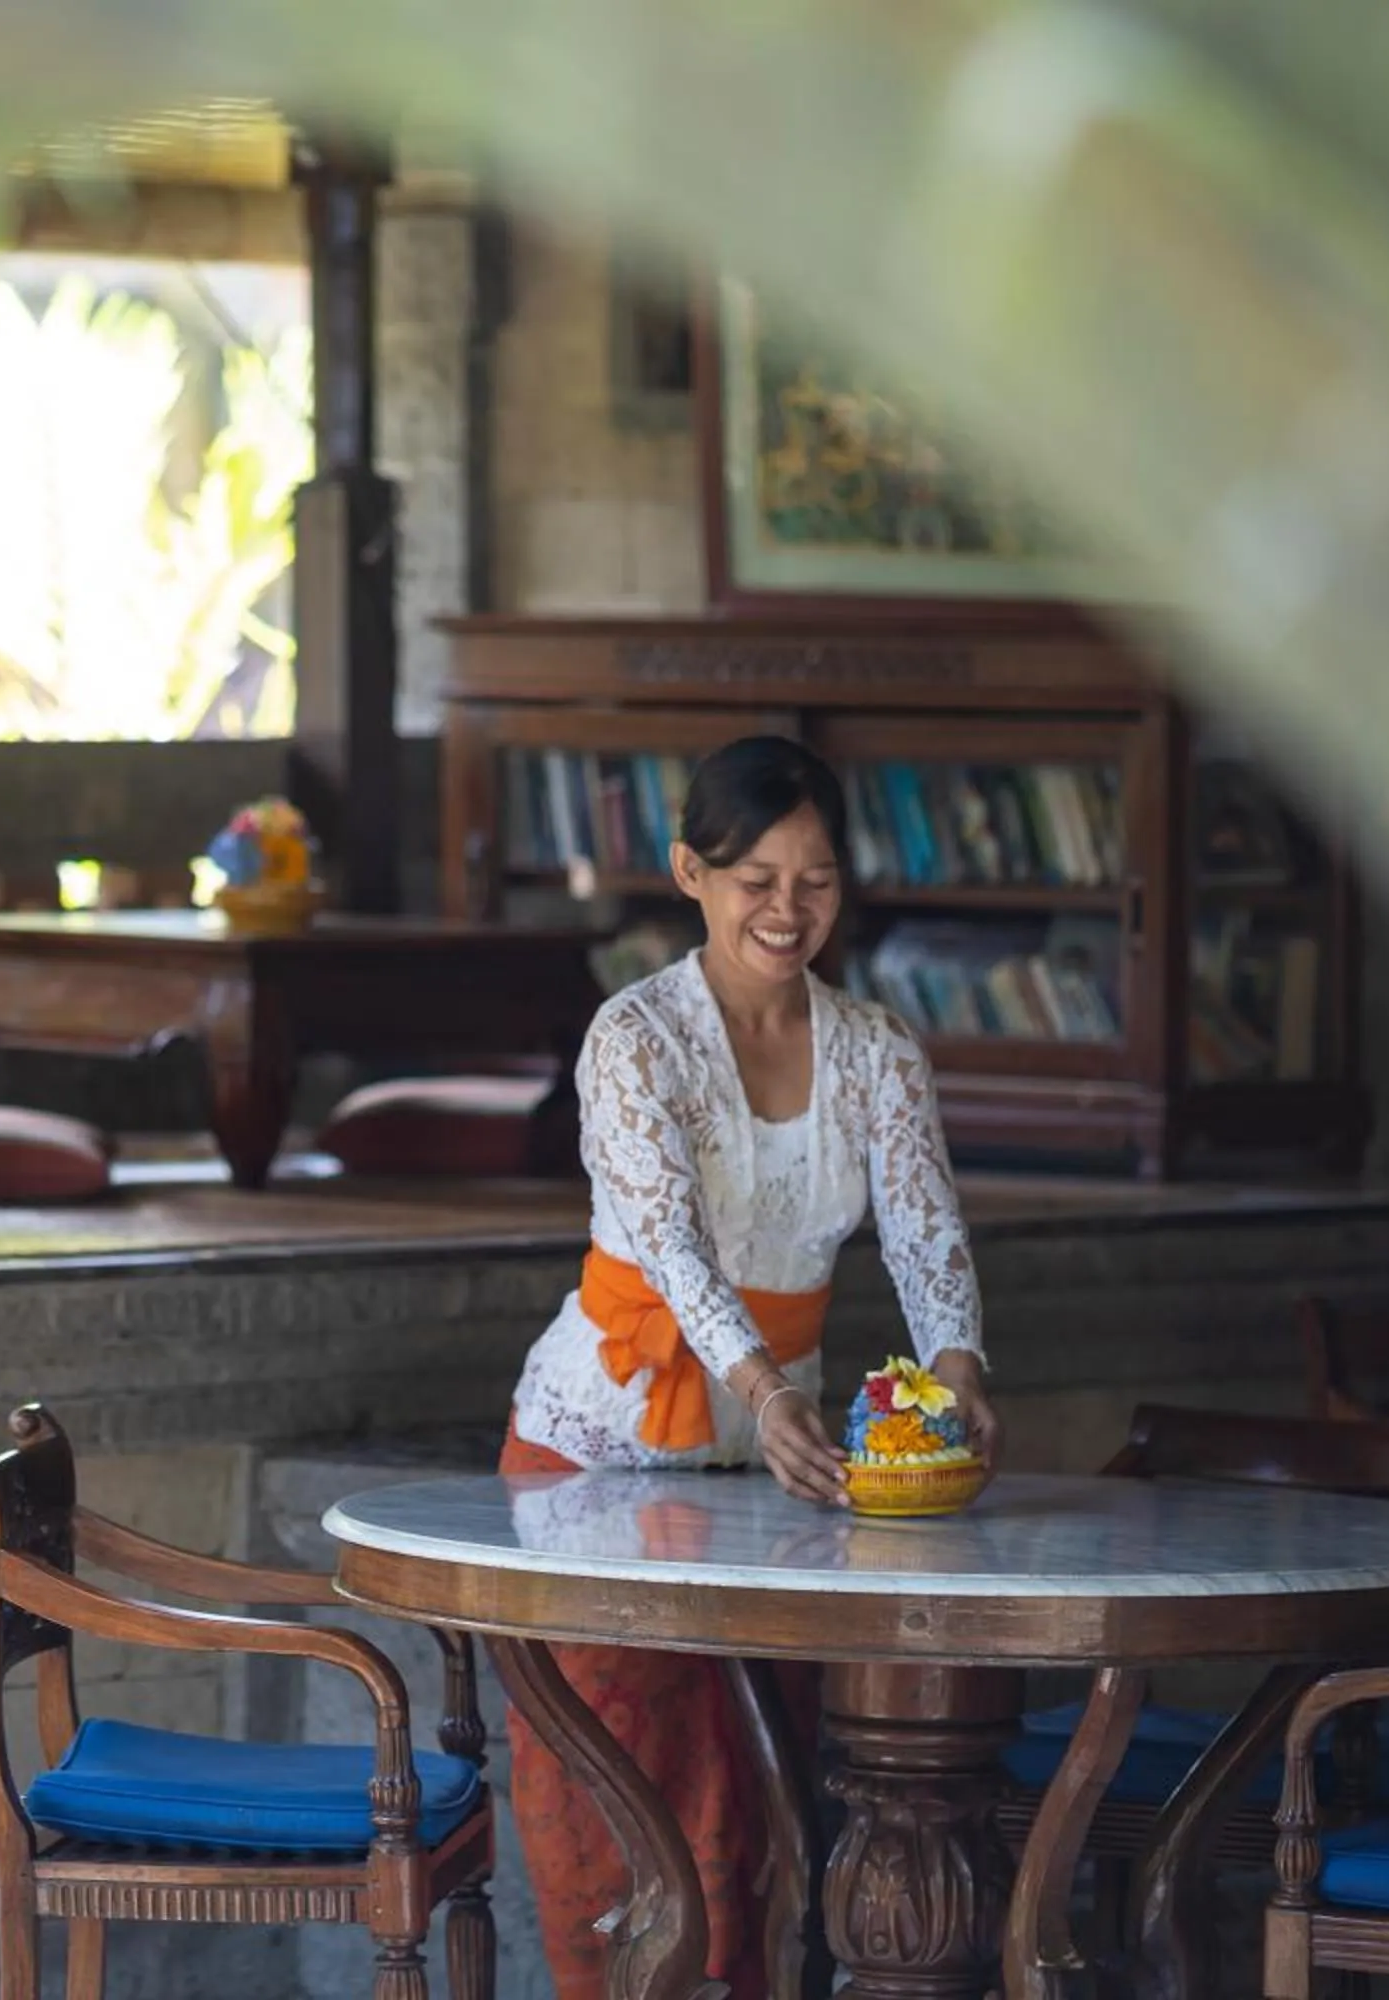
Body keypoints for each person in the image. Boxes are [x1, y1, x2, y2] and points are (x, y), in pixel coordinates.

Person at [501, 733, 997, 2000]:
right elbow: (670, 1246)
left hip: (775, 1477)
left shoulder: (878, 1048)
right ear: (690, 872)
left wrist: (957, 1364)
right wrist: (768, 1386)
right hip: (594, 1458)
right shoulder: (635, 1037)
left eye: (815, 879)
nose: (788, 908)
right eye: (755, 878)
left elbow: (926, 1230)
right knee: (623, 1799)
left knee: (768, 1795)